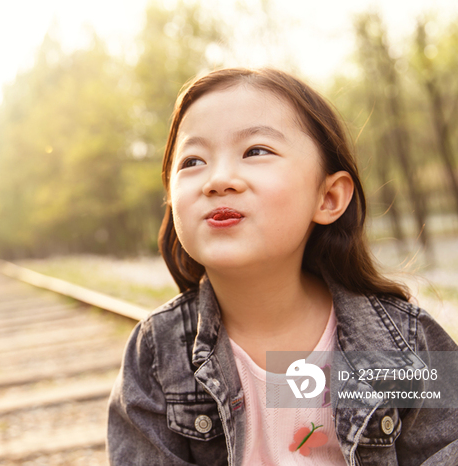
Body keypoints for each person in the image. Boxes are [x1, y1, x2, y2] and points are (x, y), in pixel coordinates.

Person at [107, 68, 458, 465]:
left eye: (256, 151)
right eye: (192, 160)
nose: (218, 180)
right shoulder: (157, 353)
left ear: (327, 197)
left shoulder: (399, 343)